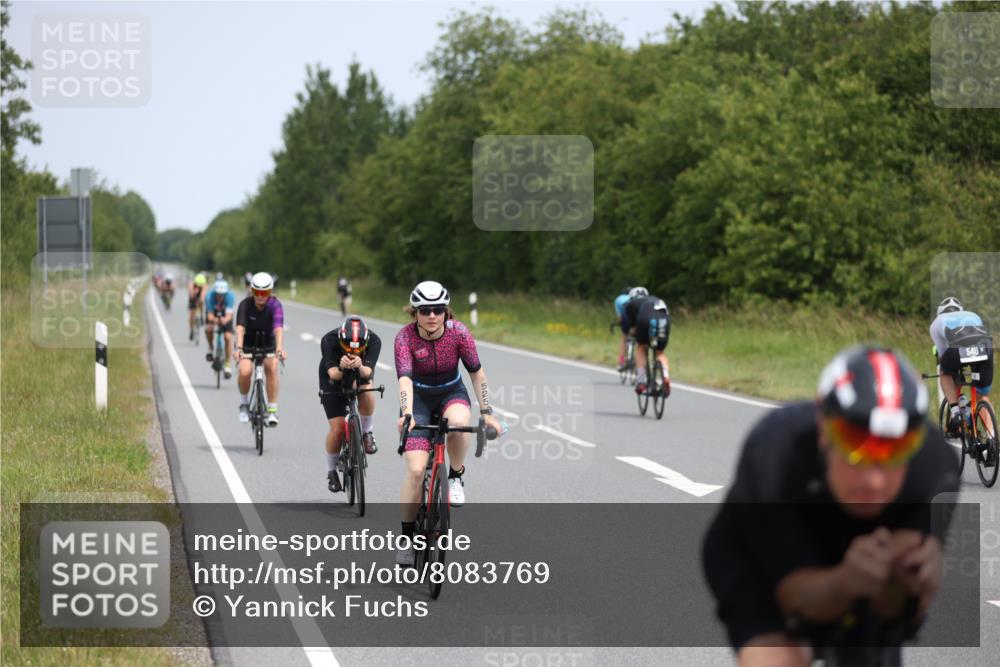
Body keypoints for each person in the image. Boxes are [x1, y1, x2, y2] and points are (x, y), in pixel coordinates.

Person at [702, 346, 959, 667]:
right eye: (855, 446)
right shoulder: (776, 453)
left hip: (866, 563)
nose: (874, 480)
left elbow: (903, 609)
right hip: (759, 558)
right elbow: (792, 598)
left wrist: (913, 585)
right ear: (824, 428)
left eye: (894, 452)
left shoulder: (935, 465)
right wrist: (844, 581)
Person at [394, 280, 502, 565]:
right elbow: (404, 380)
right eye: (425, 310)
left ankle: (455, 476)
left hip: (451, 393)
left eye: (438, 310)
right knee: (415, 470)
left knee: (458, 422)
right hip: (418, 400)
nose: (432, 315)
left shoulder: (459, 333)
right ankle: (406, 537)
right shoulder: (404, 338)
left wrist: (487, 412)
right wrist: (406, 413)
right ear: (415, 312)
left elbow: (477, 374)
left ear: (446, 311)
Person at [319, 316, 381, 493]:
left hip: (360, 372)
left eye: (359, 348)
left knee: (366, 388)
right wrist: (341, 367)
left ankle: (367, 432)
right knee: (338, 429)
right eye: (347, 347)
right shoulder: (329, 340)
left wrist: (360, 366)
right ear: (340, 339)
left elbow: (367, 373)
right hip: (332, 376)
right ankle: (331, 471)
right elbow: (333, 374)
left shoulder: (374, 341)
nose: (352, 352)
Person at [930, 297, 994, 449]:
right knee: (983, 396)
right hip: (985, 350)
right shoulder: (973, 315)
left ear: (940, 312)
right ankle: (992, 437)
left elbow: (943, 354)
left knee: (945, 373)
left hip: (957, 352)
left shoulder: (936, 323)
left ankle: (956, 412)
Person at [235, 272, 287, 426]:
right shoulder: (245, 304)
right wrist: (238, 348)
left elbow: (278, 329)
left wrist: (279, 348)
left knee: (272, 367)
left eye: (264, 293)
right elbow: (240, 329)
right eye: (256, 292)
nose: (260, 296)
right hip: (248, 342)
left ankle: (272, 410)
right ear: (251, 291)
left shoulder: (275, 305)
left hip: (268, 341)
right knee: (245, 371)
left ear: (270, 292)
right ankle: (244, 404)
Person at [620, 286, 671, 397]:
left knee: (641, 347)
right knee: (660, 352)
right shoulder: (655, 298)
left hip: (644, 318)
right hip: (663, 319)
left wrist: (633, 333)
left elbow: (630, 328)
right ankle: (665, 376)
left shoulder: (630, 304)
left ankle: (641, 381)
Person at [204, 279, 236, 379]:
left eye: (222, 294)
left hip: (225, 315)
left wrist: (224, 320)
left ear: (226, 293)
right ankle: (210, 348)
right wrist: (215, 320)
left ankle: (227, 364)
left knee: (228, 337)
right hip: (213, 313)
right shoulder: (209, 297)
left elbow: (229, 315)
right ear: (214, 293)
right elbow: (209, 315)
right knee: (209, 329)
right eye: (217, 294)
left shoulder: (230, 297)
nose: (220, 296)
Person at [613, 287, 632, 371]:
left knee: (624, 338)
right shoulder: (635, 297)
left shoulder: (618, 299)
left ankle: (621, 362)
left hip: (626, 315)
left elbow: (620, 318)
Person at [188, 272, 208, 341]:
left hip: (200, 296)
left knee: (201, 303)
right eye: (197, 285)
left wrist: (201, 300)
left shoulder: (204, 285)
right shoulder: (191, 284)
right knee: (191, 315)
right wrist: (194, 293)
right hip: (193, 297)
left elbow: (203, 295)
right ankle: (191, 330)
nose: (199, 286)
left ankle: (201, 316)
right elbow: (191, 295)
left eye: (200, 286)